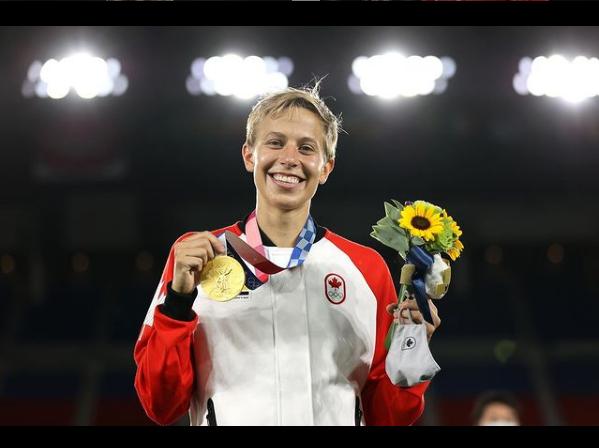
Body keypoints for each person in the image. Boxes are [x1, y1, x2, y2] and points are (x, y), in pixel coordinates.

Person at [133, 81, 442, 426]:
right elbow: (160, 404)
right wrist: (177, 301)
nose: (290, 159)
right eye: (275, 142)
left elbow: (390, 416)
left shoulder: (365, 268)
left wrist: (412, 343)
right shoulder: (199, 257)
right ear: (249, 155)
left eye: (306, 148)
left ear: (326, 168)